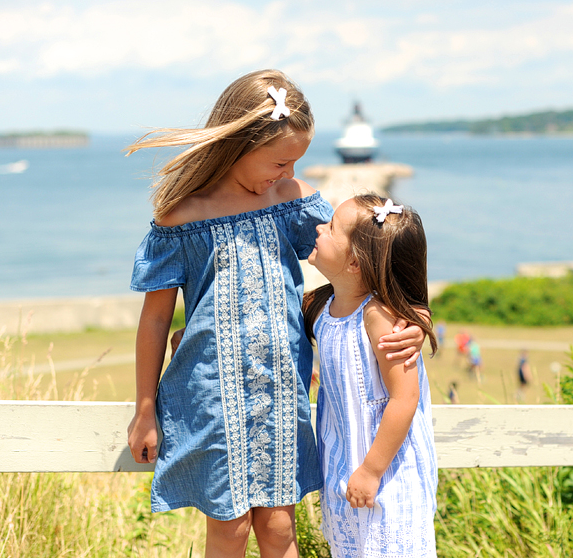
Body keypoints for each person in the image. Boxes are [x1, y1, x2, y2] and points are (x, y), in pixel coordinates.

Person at [125, 70, 425, 558]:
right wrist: (144, 410)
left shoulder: (290, 202)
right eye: (280, 161)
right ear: (239, 143)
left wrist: (403, 317)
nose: (287, 173)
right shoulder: (180, 216)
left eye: (296, 163)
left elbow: (356, 265)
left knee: (280, 527)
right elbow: (155, 321)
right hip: (212, 396)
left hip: (281, 392)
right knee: (230, 528)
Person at [302, 194, 438, 558]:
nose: (318, 228)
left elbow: (404, 398)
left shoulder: (379, 317)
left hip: (388, 475)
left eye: (330, 228)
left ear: (354, 262)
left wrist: (372, 470)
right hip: (344, 469)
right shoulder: (319, 307)